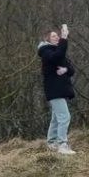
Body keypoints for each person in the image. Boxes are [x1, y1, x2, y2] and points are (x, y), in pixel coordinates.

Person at [37, 24, 76, 156]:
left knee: (55, 118)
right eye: (54, 36)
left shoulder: (58, 51)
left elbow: (71, 69)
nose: (57, 37)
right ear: (47, 39)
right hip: (54, 90)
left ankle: (52, 143)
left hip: (61, 90)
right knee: (65, 117)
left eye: (58, 36)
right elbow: (56, 57)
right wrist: (64, 38)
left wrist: (66, 69)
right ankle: (62, 145)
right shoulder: (46, 51)